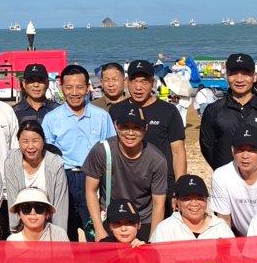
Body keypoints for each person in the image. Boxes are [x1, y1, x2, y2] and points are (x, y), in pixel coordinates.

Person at [42, 64, 116, 240]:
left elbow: (111, 150)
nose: (74, 93)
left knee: (95, 229)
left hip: (94, 178)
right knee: (65, 231)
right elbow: (47, 156)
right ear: (61, 88)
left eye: (80, 87)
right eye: (69, 87)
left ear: (88, 87)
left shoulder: (102, 116)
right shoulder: (51, 118)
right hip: (64, 176)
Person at [109, 60, 185, 216]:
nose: (138, 87)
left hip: (163, 182)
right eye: (134, 81)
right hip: (126, 183)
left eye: (144, 81)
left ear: (153, 83)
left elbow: (178, 152)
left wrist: (180, 189)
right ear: (126, 82)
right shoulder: (116, 111)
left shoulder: (168, 111)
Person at [84, 104, 167, 242]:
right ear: (115, 126)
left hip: (142, 219)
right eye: (125, 127)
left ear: (146, 128)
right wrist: (98, 228)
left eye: (136, 128)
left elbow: (159, 204)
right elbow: (90, 190)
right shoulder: (101, 150)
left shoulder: (157, 160)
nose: (130, 133)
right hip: (112, 218)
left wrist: (153, 239)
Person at [198, 53, 257, 170]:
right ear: (226, 76)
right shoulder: (213, 110)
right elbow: (207, 146)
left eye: (245, 74)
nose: (239, 79)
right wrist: (222, 170)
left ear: (254, 77)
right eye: (233, 74)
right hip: (226, 177)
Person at [3, 120, 69, 234]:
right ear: (18, 142)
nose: (30, 147)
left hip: (48, 226)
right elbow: (13, 205)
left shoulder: (56, 165)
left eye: (35, 141)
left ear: (43, 141)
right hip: (23, 228)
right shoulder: (11, 164)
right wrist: (16, 236)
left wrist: (57, 238)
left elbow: (60, 209)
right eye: (25, 141)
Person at [209, 125, 257, 236]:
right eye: (240, 149)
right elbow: (224, 219)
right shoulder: (221, 176)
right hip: (240, 238)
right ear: (232, 150)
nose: (245, 156)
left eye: (252, 150)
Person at [148, 175, 232, 242]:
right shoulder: (164, 229)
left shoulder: (221, 228)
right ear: (177, 201)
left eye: (200, 198)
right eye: (187, 199)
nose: (194, 204)